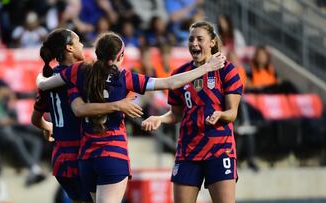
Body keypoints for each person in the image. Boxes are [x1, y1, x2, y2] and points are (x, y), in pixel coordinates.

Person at [36, 32, 225, 203]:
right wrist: (206, 67)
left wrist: (40, 80)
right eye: (78, 41)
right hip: (111, 154)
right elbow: (170, 82)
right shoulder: (124, 77)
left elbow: (51, 89)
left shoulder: (80, 72)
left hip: (83, 157)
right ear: (121, 56)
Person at [31, 28, 145, 203]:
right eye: (78, 42)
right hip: (80, 153)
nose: (83, 45)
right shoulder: (81, 71)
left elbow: (35, 119)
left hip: (60, 160)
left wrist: (48, 126)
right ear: (69, 48)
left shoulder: (49, 79)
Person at [141, 21, 243, 203]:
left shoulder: (227, 70)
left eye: (199, 39)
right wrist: (160, 119)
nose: (194, 43)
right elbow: (176, 114)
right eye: (191, 39)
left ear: (212, 42)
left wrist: (220, 115)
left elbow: (232, 113)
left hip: (219, 150)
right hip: (188, 151)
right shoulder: (180, 74)